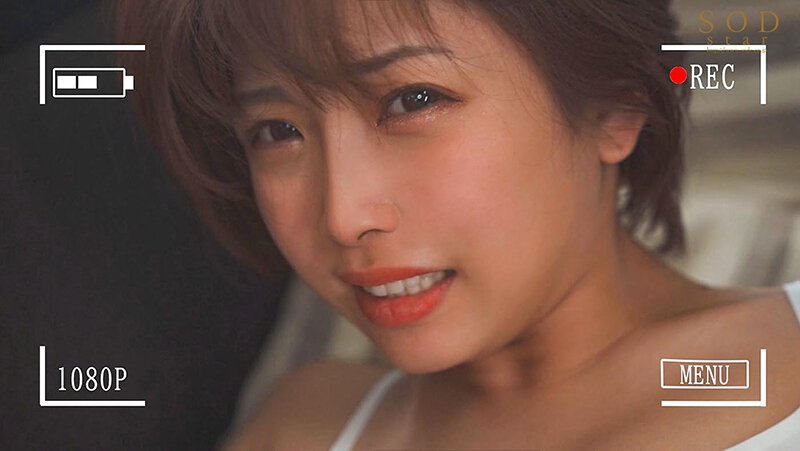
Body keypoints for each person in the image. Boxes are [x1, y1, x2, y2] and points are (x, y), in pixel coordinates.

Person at [116, 0, 800, 449]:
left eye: (413, 100)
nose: (343, 216)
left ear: (614, 107)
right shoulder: (308, 427)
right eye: (276, 131)